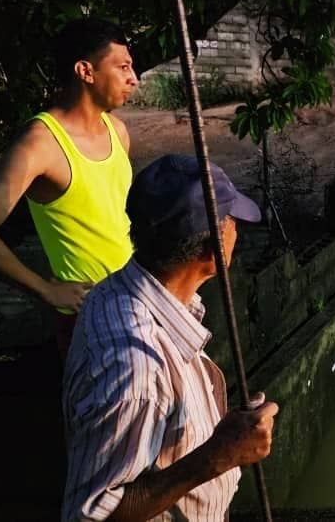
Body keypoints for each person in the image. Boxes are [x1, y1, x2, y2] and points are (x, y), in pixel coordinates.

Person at [62, 154, 279, 521]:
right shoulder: (137, 369)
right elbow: (90, 516)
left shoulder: (118, 291)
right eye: (232, 223)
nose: (238, 231)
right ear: (212, 250)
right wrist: (219, 455)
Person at [0, 18, 139, 358]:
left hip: (136, 301)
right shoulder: (40, 144)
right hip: (88, 319)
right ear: (85, 71)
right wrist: (46, 290)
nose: (133, 78)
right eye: (123, 66)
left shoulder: (117, 131)